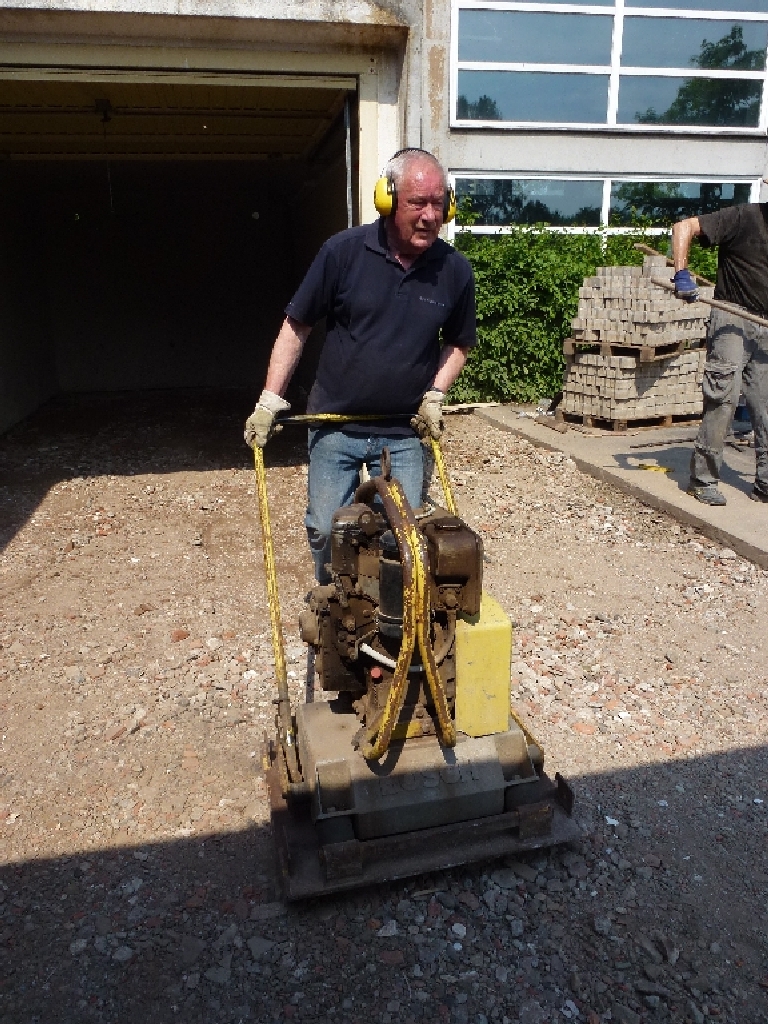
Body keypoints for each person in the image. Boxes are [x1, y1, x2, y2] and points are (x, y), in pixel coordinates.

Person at [244, 148, 477, 582]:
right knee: (326, 530)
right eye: (418, 203)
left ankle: (389, 615)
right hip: (336, 426)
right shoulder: (343, 252)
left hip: (404, 431)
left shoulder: (454, 270)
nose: (430, 216)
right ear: (387, 199)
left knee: (404, 539)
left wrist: (435, 395)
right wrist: (270, 399)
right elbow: (297, 325)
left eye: (438, 203)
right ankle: (333, 608)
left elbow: (460, 342)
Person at [672, 203, 768, 506]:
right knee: (723, 399)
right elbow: (683, 227)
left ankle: (765, 483)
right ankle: (703, 479)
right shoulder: (744, 217)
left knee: (766, 406)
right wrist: (681, 274)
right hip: (733, 317)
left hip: (766, 325)